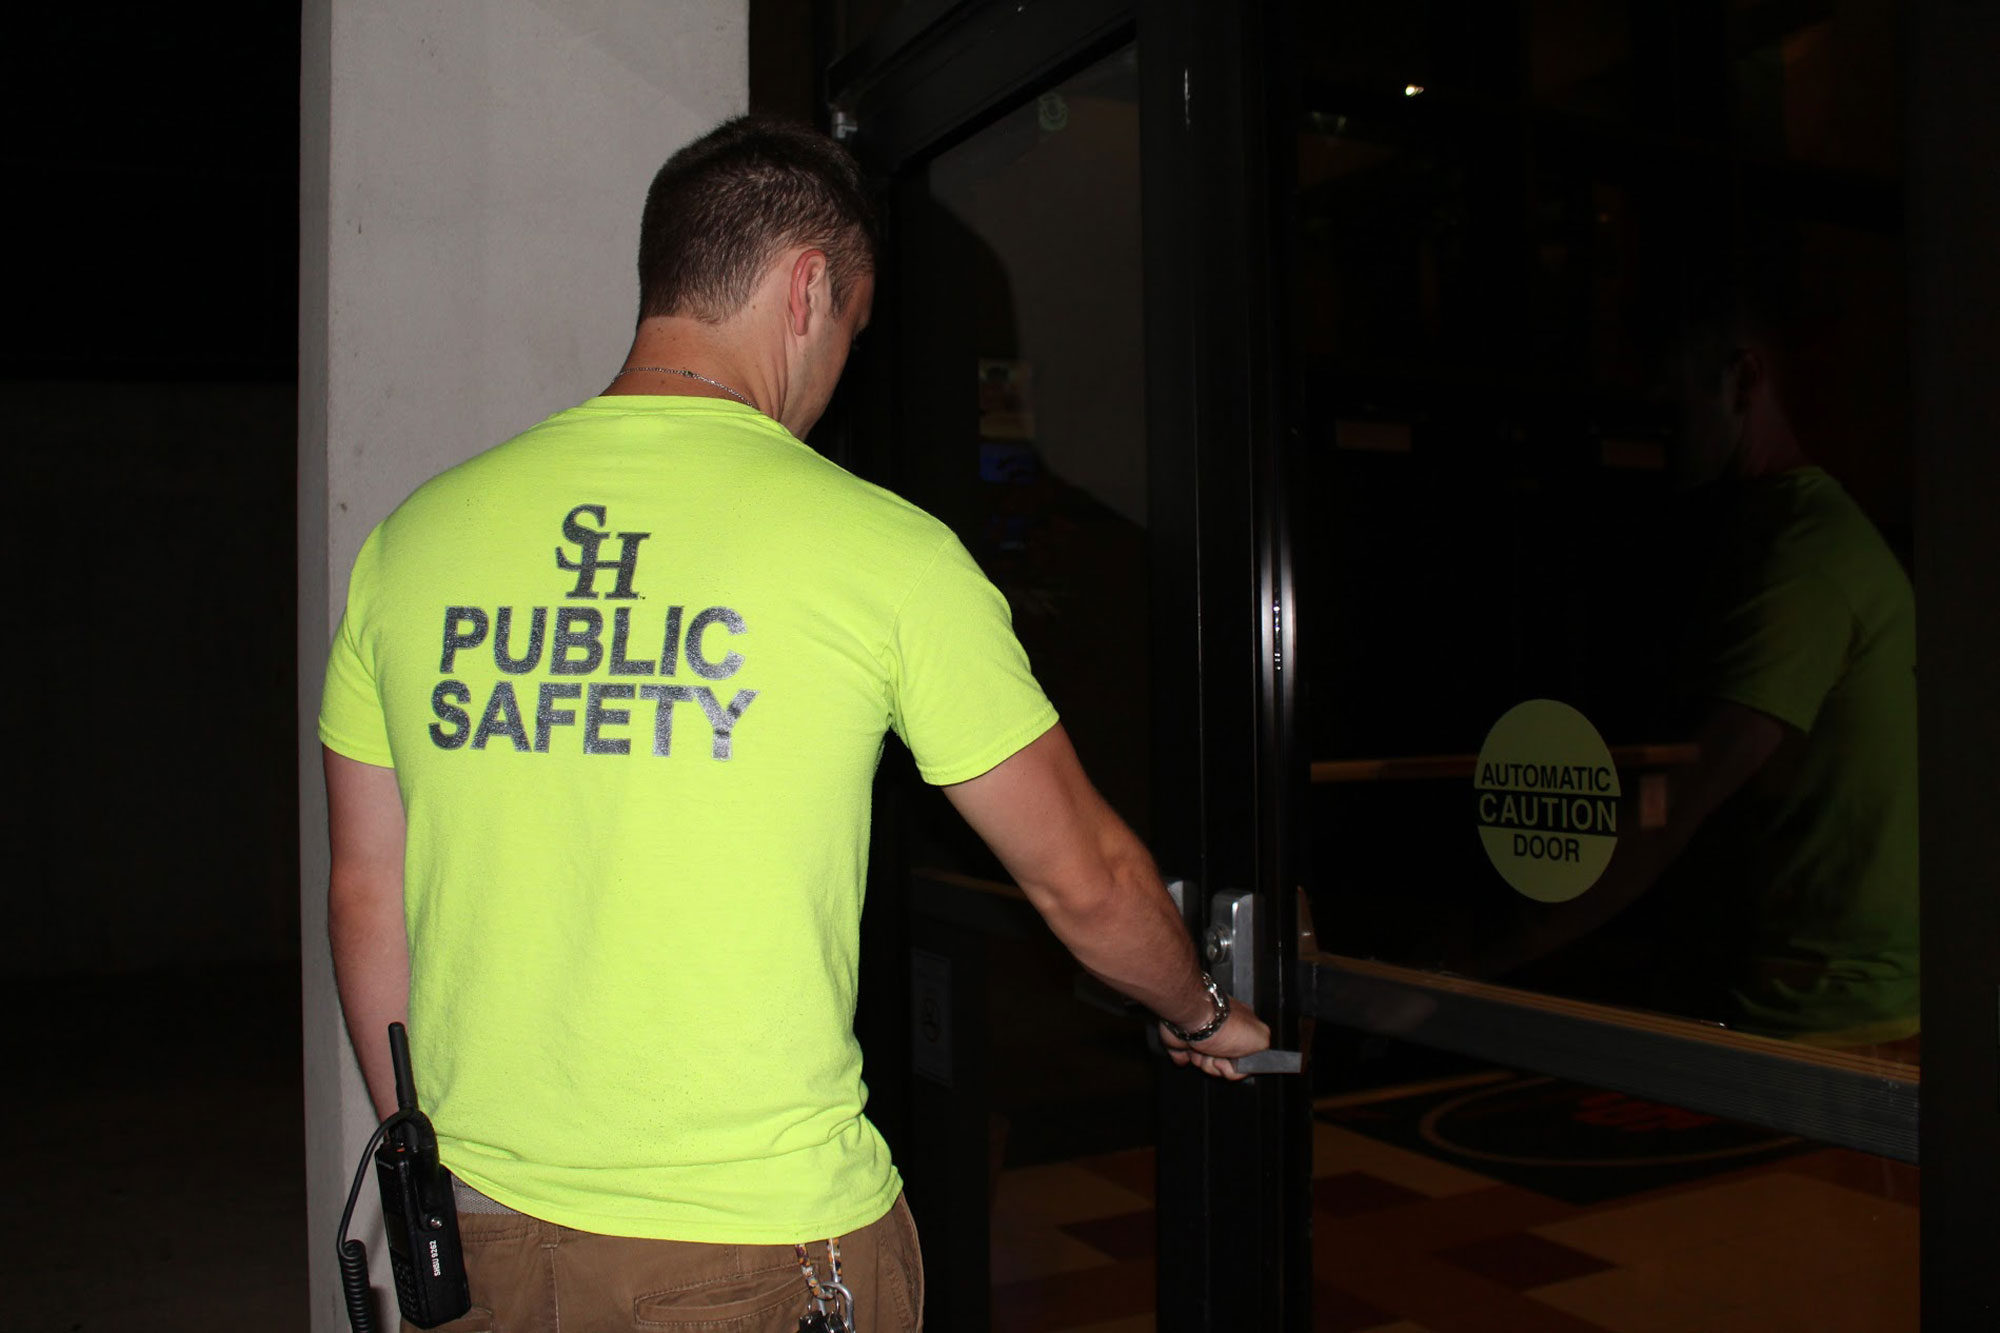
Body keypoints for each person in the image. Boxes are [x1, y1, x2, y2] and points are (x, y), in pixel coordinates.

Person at [320, 115, 1269, 1333]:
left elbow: (366, 890)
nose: (836, 378)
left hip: (481, 1240)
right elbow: (1081, 875)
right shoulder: (883, 554)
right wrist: (1197, 1010)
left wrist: (431, 1167)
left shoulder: (411, 544)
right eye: (851, 335)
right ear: (808, 287)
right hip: (756, 1251)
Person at [1468, 283, 1919, 1052]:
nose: (1651, 416)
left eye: (1668, 392)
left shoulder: (1804, 558)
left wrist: (1463, 967)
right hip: (1798, 1004)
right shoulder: (1771, 534)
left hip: (1824, 1025)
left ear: (1742, 381)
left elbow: (1672, 806)